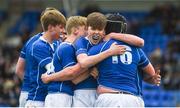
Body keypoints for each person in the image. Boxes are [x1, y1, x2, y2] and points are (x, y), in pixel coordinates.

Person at [88, 13, 161, 107]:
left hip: (107, 98)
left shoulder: (98, 48)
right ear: (123, 28)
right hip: (132, 99)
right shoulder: (136, 49)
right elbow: (152, 73)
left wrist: (91, 69)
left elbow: (84, 64)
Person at [15, 7, 61, 107]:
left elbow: (18, 69)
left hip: (44, 92)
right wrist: (35, 83)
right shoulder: (34, 43)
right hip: (33, 93)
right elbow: (18, 70)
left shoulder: (55, 42)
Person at [24, 9, 66, 107]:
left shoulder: (57, 44)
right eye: (61, 27)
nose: (63, 31)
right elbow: (52, 69)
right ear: (51, 27)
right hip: (37, 100)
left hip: (48, 98)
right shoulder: (38, 45)